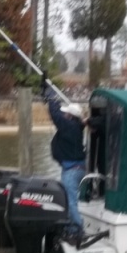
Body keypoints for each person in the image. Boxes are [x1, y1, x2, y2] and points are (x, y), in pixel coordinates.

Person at [41, 75, 87, 242]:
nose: (65, 115)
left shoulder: (69, 126)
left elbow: (55, 114)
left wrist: (51, 96)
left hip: (72, 170)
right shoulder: (75, 126)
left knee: (71, 200)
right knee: (70, 199)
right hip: (75, 167)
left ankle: (78, 229)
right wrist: (48, 97)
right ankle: (71, 225)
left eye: (67, 114)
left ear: (71, 117)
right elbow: (58, 112)